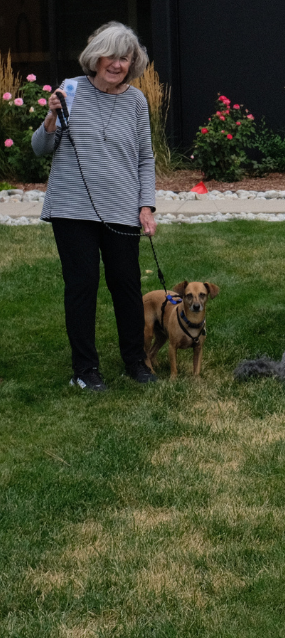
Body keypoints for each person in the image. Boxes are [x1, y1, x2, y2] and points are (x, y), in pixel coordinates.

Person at [31, 22, 158, 391]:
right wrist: (51, 117)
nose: (117, 64)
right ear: (95, 57)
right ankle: (85, 370)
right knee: (82, 285)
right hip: (72, 208)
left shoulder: (136, 101)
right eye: (111, 56)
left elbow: (145, 159)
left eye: (125, 57)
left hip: (120, 208)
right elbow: (40, 149)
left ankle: (136, 361)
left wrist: (146, 205)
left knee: (127, 285)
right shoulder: (70, 90)